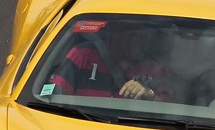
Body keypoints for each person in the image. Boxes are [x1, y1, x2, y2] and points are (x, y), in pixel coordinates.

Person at [49, 22, 177, 100]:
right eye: (129, 33)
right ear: (113, 33)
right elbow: (52, 94)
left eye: (140, 35)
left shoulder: (155, 69)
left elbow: (169, 106)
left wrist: (149, 94)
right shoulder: (84, 55)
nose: (135, 40)